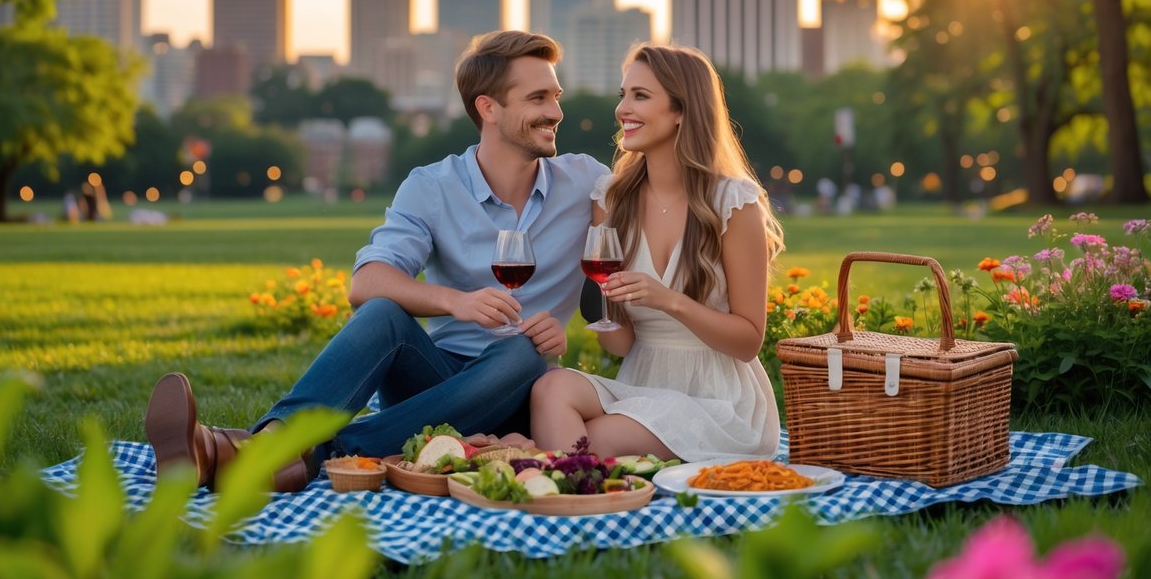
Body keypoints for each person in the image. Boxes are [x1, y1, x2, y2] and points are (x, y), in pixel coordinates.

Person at [144, 31, 608, 491]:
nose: (556, 111)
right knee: (383, 312)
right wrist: (454, 301)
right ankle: (280, 442)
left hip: (517, 389)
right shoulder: (432, 186)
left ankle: (262, 453)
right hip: (431, 380)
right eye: (538, 97)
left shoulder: (585, 181)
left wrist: (575, 327)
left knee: (521, 351)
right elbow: (366, 283)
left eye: (556, 96)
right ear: (488, 108)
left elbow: (644, 227)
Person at [530, 43, 783, 461]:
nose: (623, 108)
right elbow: (623, 345)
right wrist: (607, 311)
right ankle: (572, 482)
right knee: (550, 388)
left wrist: (668, 301)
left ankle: (567, 491)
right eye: (623, 95)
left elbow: (748, 342)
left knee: (590, 441)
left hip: (718, 402)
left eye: (640, 96)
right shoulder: (611, 199)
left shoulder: (734, 204)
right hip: (644, 385)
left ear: (682, 110)